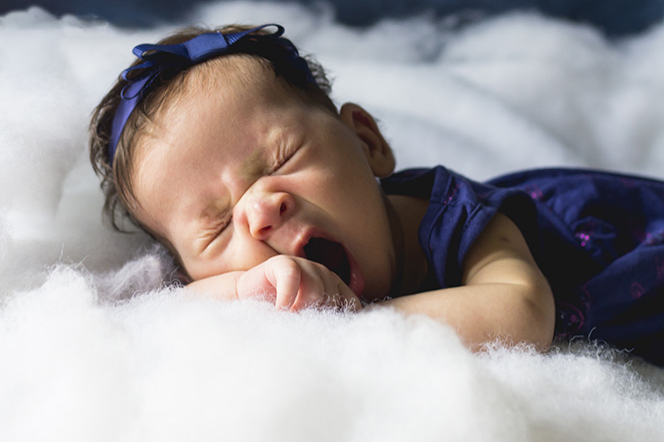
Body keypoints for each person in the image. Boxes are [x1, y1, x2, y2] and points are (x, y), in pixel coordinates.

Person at [89, 23, 664, 364]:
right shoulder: (219, 283)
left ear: (367, 143)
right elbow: (156, 318)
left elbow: (520, 314)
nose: (261, 209)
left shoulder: (461, 220)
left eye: (282, 159)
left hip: (629, 244)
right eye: (216, 225)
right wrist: (247, 289)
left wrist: (349, 318)